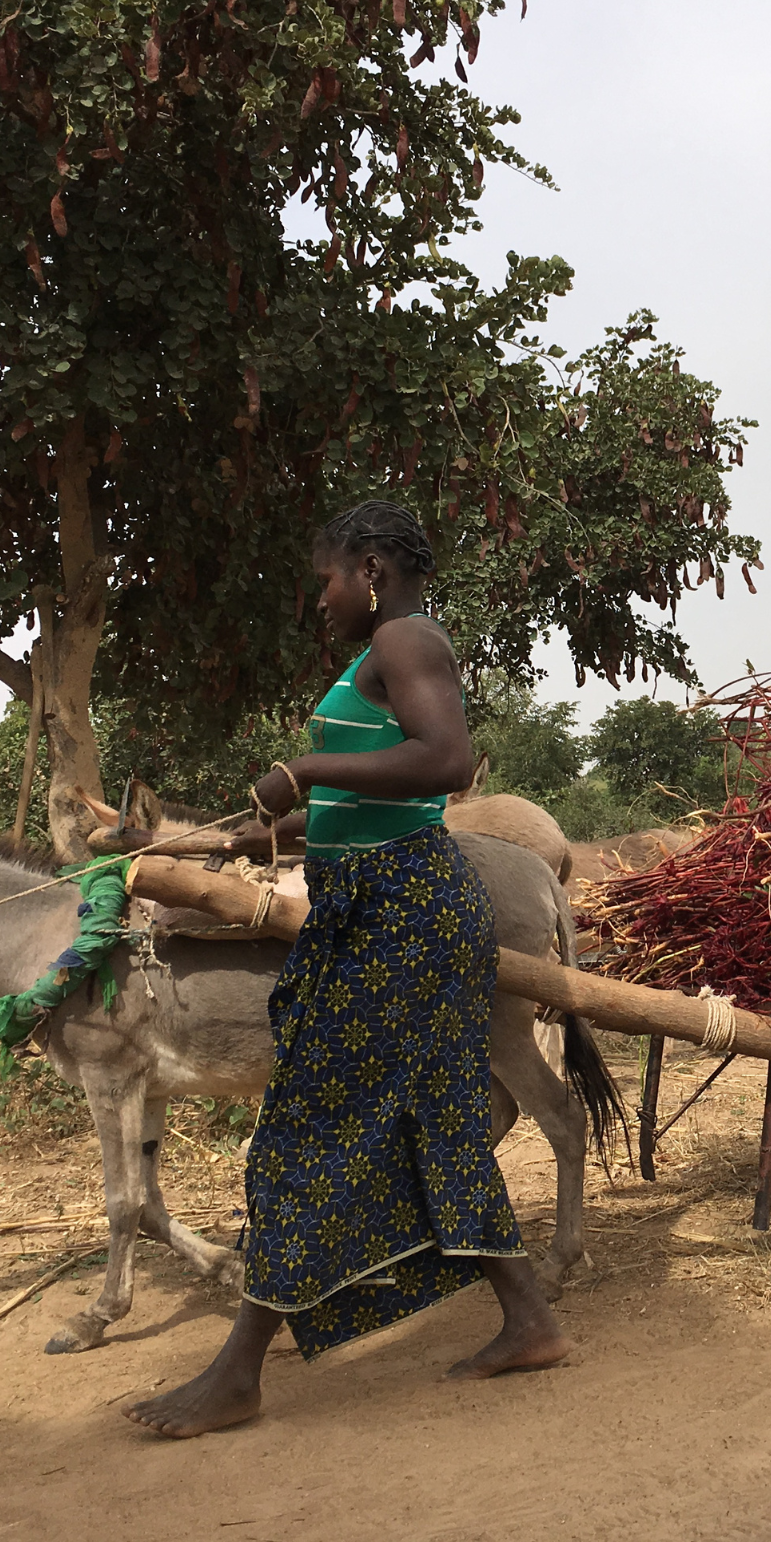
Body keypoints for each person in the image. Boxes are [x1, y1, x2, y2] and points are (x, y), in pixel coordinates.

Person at [126, 502, 569, 1439]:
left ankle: (239, 1373)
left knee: (301, 1131)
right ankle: (529, 1318)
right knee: (442, 1121)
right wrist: (271, 830)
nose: (319, 599)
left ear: (369, 567)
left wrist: (303, 767)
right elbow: (373, 787)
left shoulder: (407, 638)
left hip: (400, 915)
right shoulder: (384, 647)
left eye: (325, 580)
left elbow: (443, 765)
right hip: (381, 909)